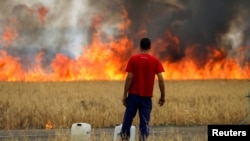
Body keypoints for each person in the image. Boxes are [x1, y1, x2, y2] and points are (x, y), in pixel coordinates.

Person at [120, 37, 166, 141]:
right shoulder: (155, 61)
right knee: (144, 122)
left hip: (133, 96)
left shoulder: (133, 59)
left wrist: (124, 94)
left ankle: (124, 139)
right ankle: (143, 139)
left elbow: (129, 77)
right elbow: (161, 79)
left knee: (127, 120)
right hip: (146, 98)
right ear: (150, 47)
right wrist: (162, 95)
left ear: (140, 47)